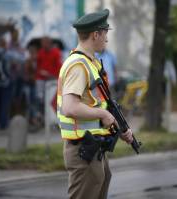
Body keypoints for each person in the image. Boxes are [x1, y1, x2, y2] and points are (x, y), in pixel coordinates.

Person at [57, 9, 133, 199]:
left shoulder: (90, 63)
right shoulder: (78, 66)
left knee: (103, 180)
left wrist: (119, 127)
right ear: (95, 34)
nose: (107, 38)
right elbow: (70, 107)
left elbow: (99, 104)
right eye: (105, 32)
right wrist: (104, 115)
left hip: (93, 147)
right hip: (82, 149)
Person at [36, 36, 62, 125]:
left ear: (49, 43)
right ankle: (40, 114)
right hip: (42, 79)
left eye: (44, 43)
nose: (43, 45)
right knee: (40, 96)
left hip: (53, 80)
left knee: (53, 101)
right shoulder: (41, 52)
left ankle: (54, 121)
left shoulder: (56, 52)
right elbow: (38, 66)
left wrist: (50, 75)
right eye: (42, 43)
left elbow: (59, 68)